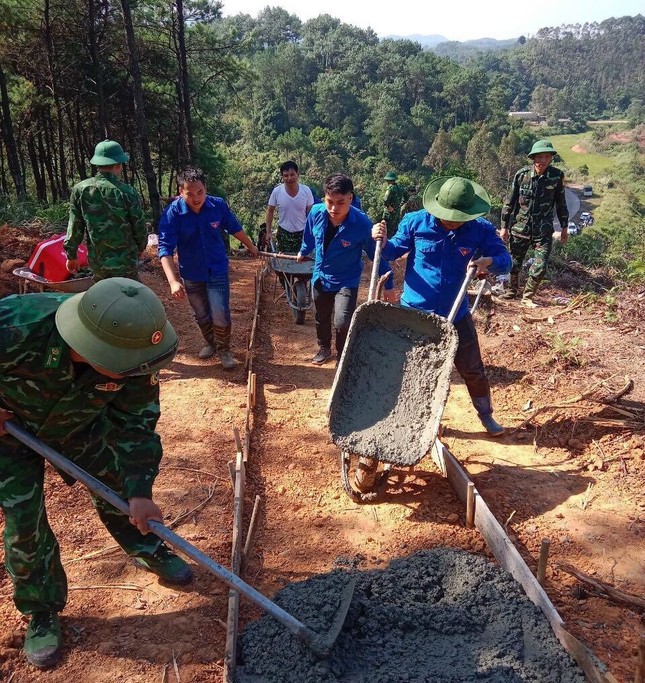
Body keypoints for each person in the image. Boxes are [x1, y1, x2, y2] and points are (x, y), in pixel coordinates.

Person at [0, 278, 191, 670]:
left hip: (79, 422)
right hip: (11, 432)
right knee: (23, 522)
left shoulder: (138, 354)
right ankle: (41, 608)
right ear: (88, 345)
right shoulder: (13, 326)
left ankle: (147, 547)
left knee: (118, 487)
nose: (132, 372)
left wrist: (140, 490)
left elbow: (137, 425)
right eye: (122, 365)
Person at [372, 176, 510, 470]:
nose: (451, 223)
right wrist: (380, 241)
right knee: (411, 371)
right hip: (415, 313)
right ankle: (412, 418)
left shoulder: (480, 229)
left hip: (455, 313)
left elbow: (504, 258)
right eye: (446, 217)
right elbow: (393, 250)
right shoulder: (415, 222)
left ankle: (485, 413)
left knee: (472, 368)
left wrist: (487, 262)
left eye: (457, 219)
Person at [158, 167, 259, 369]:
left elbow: (235, 228)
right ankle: (210, 343)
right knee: (201, 313)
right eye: (190, 194)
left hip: (217, 269)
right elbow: (165, 249)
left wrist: (251, 246)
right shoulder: (173, 213)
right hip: (191, 272)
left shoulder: (217, 206)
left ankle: (224, 350)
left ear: (206, 189)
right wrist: (173, 281)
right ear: (180, 192)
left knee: (220, 311)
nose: (196, 198)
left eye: (200, 192)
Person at [298, 173, 393, 365]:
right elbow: (309, 235)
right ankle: (324, 347)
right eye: (329, 201)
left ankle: (342, 354)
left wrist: (389, 282)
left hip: (346, 280)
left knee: (342, 322)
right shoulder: (316, 213)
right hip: (320, 275)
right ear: (324, 197)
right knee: (321, 316)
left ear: (350, 198)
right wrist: (303, 250)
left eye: (340, 202)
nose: (334, 208)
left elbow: (376, 255)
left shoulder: (362, 224)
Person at [64, 139, 147, 281]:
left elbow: (75, 226)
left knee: (104, 298)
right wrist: (141, 247)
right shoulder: (127, 192)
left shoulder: (81, 190)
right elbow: (139, 226)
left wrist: (71, 255)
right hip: (126, 262)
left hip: (99, 261)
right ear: (118, 165)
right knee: (129, 296)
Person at [500, 139, 569, 305]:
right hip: (520, 228)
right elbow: (509, 202)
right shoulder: (521, 175)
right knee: (514, 263)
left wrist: (564, 227)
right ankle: (511, 291)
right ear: (533, 158)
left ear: (551, 158)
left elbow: (561, 203)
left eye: (546, 157)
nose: (543, 160)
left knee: (540, 266)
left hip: (543, 230)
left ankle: (527, 297)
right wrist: (504, 227)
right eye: (539, 157)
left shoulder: (556, 176)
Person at [265, 160, 315, 254]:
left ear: (298, 174)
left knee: (302, 262)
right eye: (286, 175)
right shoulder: (277, 192)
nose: (289, 178)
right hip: (284, 233)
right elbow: (270, 211)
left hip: (303, 233)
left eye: (292, 174)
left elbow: (311, 213)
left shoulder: (306, 191)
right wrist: (268, 232)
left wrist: (313, 232)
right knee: (284, 263)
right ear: (282, 177)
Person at [382, 171, 408, 238]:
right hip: (397, 212)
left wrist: (388, 207)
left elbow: (385, 199)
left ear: (388, 180)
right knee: (395, 229)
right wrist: (400, 205)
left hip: (389, 213)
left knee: (386, 230)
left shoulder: (390, 188)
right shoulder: (401, 188)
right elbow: (406, 197)